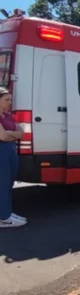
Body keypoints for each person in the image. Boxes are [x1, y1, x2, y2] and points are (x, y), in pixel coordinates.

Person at [0, 87, 26, 228]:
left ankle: (7, 212)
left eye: (10, 99)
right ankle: (3, 218)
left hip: (10, 149)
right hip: (1, 151)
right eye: (6, 100)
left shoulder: (7, 116)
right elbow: (2, 136)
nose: (10, 102)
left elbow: (21, 132)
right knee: (2, 184)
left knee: (9, 182)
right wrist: (13, 134)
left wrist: (11, 133)